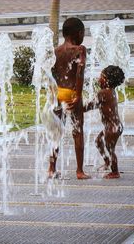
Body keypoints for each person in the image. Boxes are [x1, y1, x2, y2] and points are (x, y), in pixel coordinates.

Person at [48, 17, 91, 180]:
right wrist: (79, 95)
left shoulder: (56, 51)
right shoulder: (80, 49)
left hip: (59, 93)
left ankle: (51, 169)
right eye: (83, 33)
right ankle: (79, 171)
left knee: (56, 132)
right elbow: (80, 73)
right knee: (77, 132)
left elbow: (52, 74)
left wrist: (53, 94)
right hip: (73, 94)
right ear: (78, 33)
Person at [83, 65, 125, 179]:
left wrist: (79, 108)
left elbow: (91, 105)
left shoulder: (103, 92)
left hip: (112, 127)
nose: (98, 78)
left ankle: (115, 172)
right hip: (114, 126)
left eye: (101, 76)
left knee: (110, 150)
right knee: (98, 142)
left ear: (107, 80)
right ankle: (107, 162)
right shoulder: (110, 91)